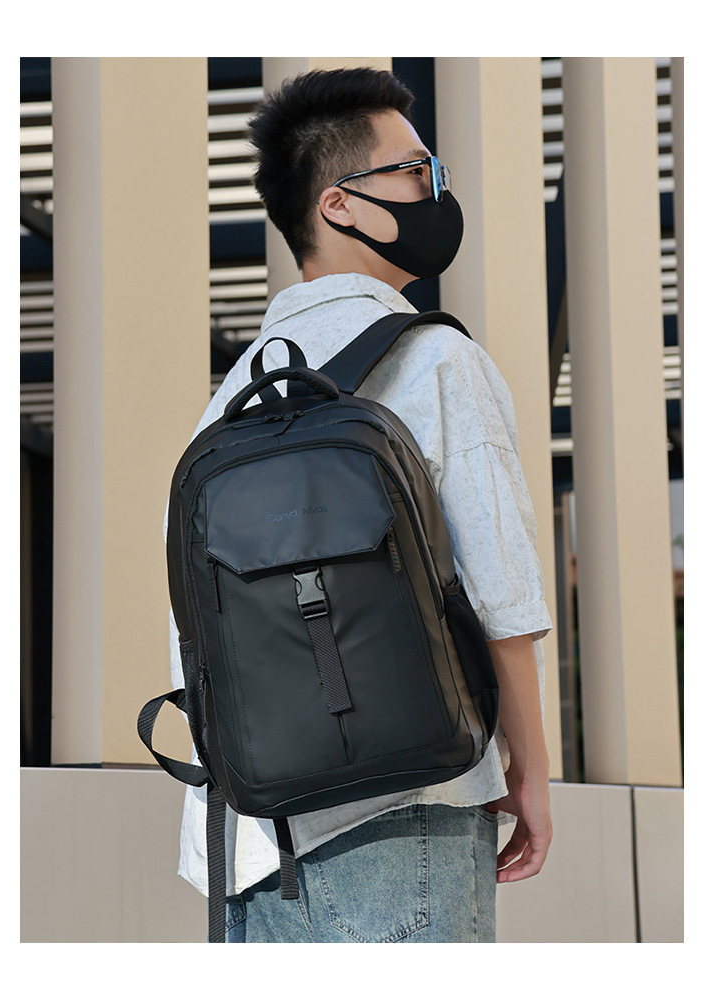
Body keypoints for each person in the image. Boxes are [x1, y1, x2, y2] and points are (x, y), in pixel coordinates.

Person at [168, 66, 553, 943]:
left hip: (248, 846)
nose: (436, 191)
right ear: (339, 204)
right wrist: (528, 772)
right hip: (407, 813)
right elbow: (504, 595)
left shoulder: (225, 405)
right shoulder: (438, 362)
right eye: (417, 172)